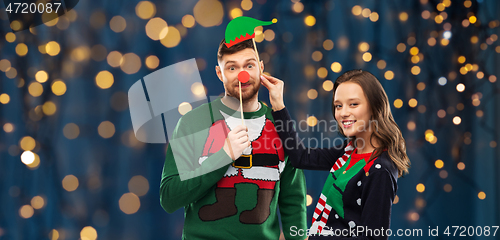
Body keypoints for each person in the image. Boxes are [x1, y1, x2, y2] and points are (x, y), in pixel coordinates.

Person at [160, 39, 308, 240]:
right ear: (220, 73)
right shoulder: (193, 122)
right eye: (232, 67)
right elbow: (169, 198)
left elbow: (293, 200)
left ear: (261, 68)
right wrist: (223, 156)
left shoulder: (281, 124)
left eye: (249, 65)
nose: (243, 75)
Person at [260, 69, 410, 239]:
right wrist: (278, 104)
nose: (343, 113)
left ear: (375, 107)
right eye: (338, 105)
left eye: (353, 104)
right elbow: (300, 157)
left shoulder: (379, 170)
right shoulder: (349, 151)